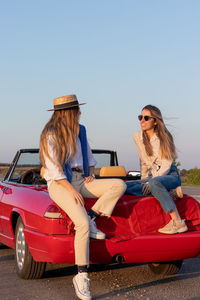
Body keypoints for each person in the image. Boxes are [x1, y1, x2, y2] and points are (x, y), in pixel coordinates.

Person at [39, 94, 126, 300]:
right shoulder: (50, 133)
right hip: (60, 183)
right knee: (82, 226)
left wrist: (91, 175)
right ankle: (81, 276)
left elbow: (89, 157)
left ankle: (91, 216)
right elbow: (53, 168)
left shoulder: (81, 130)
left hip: (81, 178)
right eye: (76, 109)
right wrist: (71, 189)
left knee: (118, 184)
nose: (79, 112)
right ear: (67, 112)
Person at [125, 105, 188, 235]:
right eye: (140, 117)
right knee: (123, 186)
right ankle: (170, 194)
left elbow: (166, 165)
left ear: (155, 121)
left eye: (146, 118)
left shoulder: (164, 137)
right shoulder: (137, 136)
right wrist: (143, 180)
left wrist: (150, 182)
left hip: (169, 176)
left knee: (154, 184)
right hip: (152, 176)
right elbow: (143, 161)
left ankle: (178, 222)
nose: (142, 120)